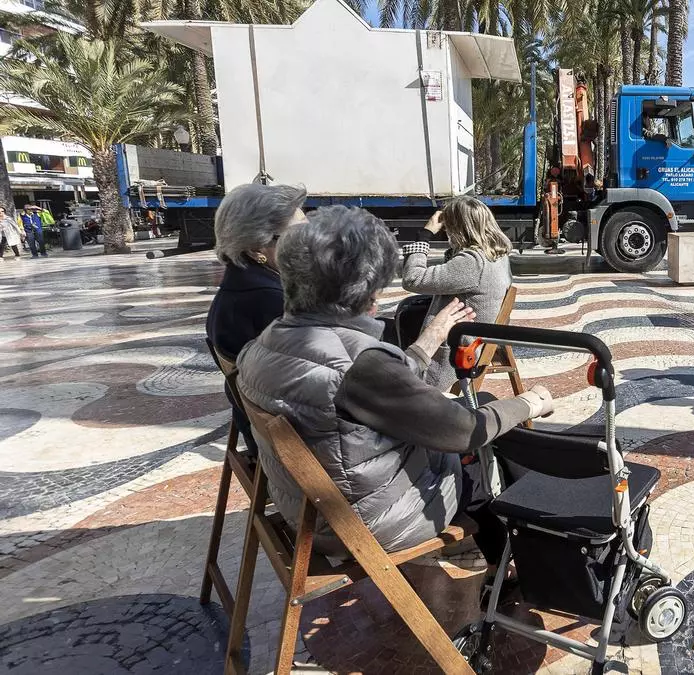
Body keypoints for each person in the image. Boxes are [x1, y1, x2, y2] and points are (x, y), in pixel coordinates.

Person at [236, 205, 553, 570]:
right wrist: (529, 403)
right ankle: (522, 567)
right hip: (368, 523)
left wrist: (427, 342)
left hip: (310, 512)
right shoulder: (360, 363)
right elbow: (462, 432)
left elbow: (376, 389)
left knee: (482, 403)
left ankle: (518, 555)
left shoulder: (261, 344)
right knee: (481, 455)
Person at [205, 183, 307, 455]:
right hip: (292, 454)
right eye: (296, 235)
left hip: (267, 438)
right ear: (255, 248)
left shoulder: (242, 285)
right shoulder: (268, 301)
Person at [399, 196, 513, 391]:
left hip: (459, 347)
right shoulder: (496, 255)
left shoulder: (472, 262)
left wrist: (425, 235)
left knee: (401, 317)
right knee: (410, 308)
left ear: (457, 227)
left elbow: (413, 279)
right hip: (481, 336)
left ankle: (400, 375)